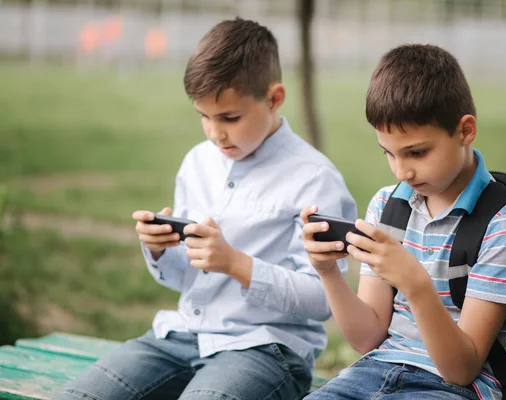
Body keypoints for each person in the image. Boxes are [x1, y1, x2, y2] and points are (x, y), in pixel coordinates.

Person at [55, 17, 356, 400]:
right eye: (204, 117)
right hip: (180, 337)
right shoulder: (197, 163)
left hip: (264, 349)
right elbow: (187, 279)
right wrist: (160, 249)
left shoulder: (315, 179)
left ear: (274, 98)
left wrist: (237, 264)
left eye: (230, 117)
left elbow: (323, 300)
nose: (215, 132)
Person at [301, 44, 506, 400]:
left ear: (465, 130)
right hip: (374, 371)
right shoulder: (388, 205)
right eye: (389, 153)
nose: (402, 171)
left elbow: (461, 369)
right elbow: (368, 339)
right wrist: (328, 272)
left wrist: (415, 283)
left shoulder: (505, 224)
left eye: (416, 152)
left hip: (455, 388)